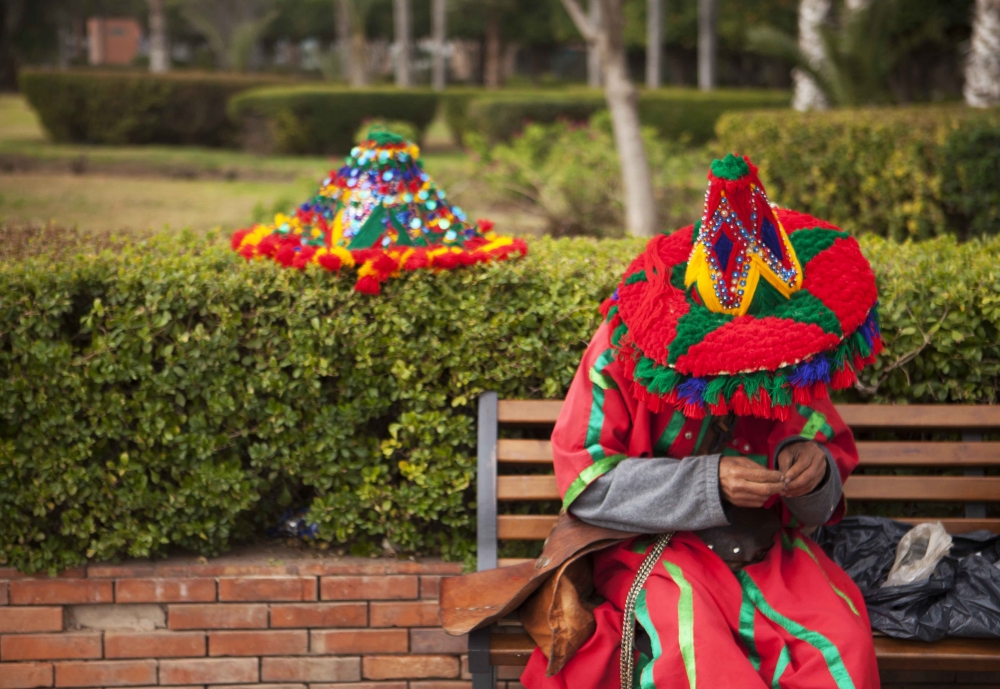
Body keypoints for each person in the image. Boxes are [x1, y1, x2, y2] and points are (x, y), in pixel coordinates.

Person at [520, 154, 883, 689]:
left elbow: (821, 501)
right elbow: (586, 484)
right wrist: (709, 480)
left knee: (843, 645)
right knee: (698, 655)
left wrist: (814, 469)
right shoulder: (621, 348)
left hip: (771, 554)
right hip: (658, 550)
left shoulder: (789, 361)